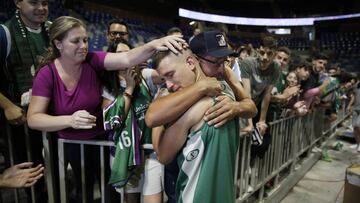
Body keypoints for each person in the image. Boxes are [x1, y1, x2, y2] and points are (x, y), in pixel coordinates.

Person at [26, 16, 184, 202]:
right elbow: (33, 118)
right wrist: (69, 120)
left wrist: (156, 43)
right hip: (72, 145)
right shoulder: (47, 74)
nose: (83, 46)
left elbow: (126, 57)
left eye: (85, 40)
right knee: (82, 190)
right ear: (58, 44)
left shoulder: (92, 60)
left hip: (103, 140)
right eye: (75, 41)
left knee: (109, 193)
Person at [145, 30, 256, 203]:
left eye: (223, 61)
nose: (221, 68)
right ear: (194, 61)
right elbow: (152, 120)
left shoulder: (223, 79)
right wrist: (201, 87)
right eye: (216, 62)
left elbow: (250, 106)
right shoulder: (186, 102)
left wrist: (237, 107)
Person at [102, 40, 164, 203]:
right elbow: (115, 121)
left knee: (153, 197)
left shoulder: (143, 75)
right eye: (120, 54)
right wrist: (129, 88)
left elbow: (163, 74)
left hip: (150, 151)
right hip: (127, 153)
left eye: (129, 53)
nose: (126, 58)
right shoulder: (108, 87)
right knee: (132, 199)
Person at [0, 1, 49, 200]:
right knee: (32, 175)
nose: (41, 7)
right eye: (33, 2)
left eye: (45, 2)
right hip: (20, 124)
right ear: (18, 2)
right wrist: (7, 105)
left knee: (52, 170)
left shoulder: (54, 29)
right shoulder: (4, 33)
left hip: (51, 118)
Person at [347, 76, 360, 152]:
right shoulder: (357, 85)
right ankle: (358, 144)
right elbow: (353, 96)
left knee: (358, 125)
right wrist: (349, 105)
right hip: (356, 108)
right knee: (355, 127)